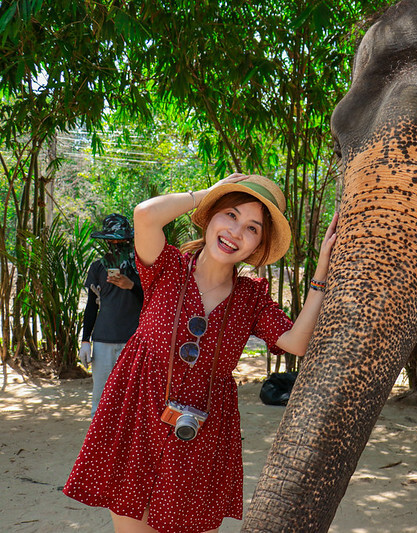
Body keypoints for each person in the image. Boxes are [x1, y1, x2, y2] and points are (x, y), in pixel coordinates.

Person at [63, 174, 337, 533]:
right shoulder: (167, 266)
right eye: (230, 214)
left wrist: (320, 274)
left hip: (201, 431)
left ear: (257, 246)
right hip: (138, 411)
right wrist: (208, 194)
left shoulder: (250, 297)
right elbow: (145, 215)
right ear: (210, 218)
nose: (237, 231)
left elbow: (296, 341)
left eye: (252, 228)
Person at [79, 213, 143, 416]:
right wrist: (85, 340)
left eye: (120, 239)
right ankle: (99, 446)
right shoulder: (98, 267)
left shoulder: (141, 266)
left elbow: (154, 301)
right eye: (112, 239)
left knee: (133, 399)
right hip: (103, 341)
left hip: (134, 341)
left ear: (128, 238)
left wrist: (131, 285)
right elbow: (91, 306)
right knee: (101, 399)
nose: (116, 243)